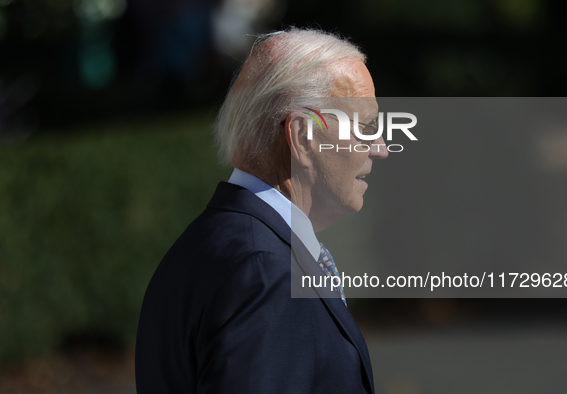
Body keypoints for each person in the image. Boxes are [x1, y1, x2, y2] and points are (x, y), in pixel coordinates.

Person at [135, 27, 388, 393]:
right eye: (364, 125)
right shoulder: (266, 273)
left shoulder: (208, 246)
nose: (379, 147)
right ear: (303, 137)